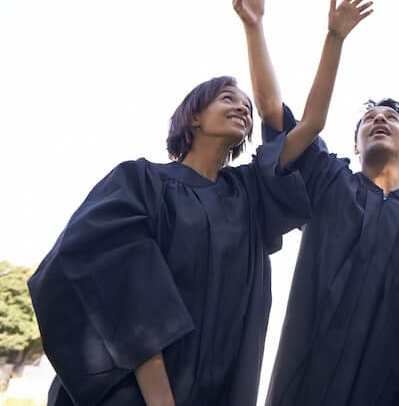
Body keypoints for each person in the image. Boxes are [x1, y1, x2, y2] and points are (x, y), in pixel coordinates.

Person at [220, 0, 399, 406]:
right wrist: (255, 26)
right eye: (369, 119)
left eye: (391, 119)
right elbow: (274, 113)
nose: (379, 120)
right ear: (356, 143)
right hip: (310, 383)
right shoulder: (329, 181)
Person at [29, 74, 311, 406]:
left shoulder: (247, 198)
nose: (242, 107)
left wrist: (333, 38)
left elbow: (310, 126)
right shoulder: (141, 182)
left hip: (215, 389)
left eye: (248, 106)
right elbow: (120, 284)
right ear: (194, 116)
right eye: (227, 98)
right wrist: (160, 398)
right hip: (135, 391)